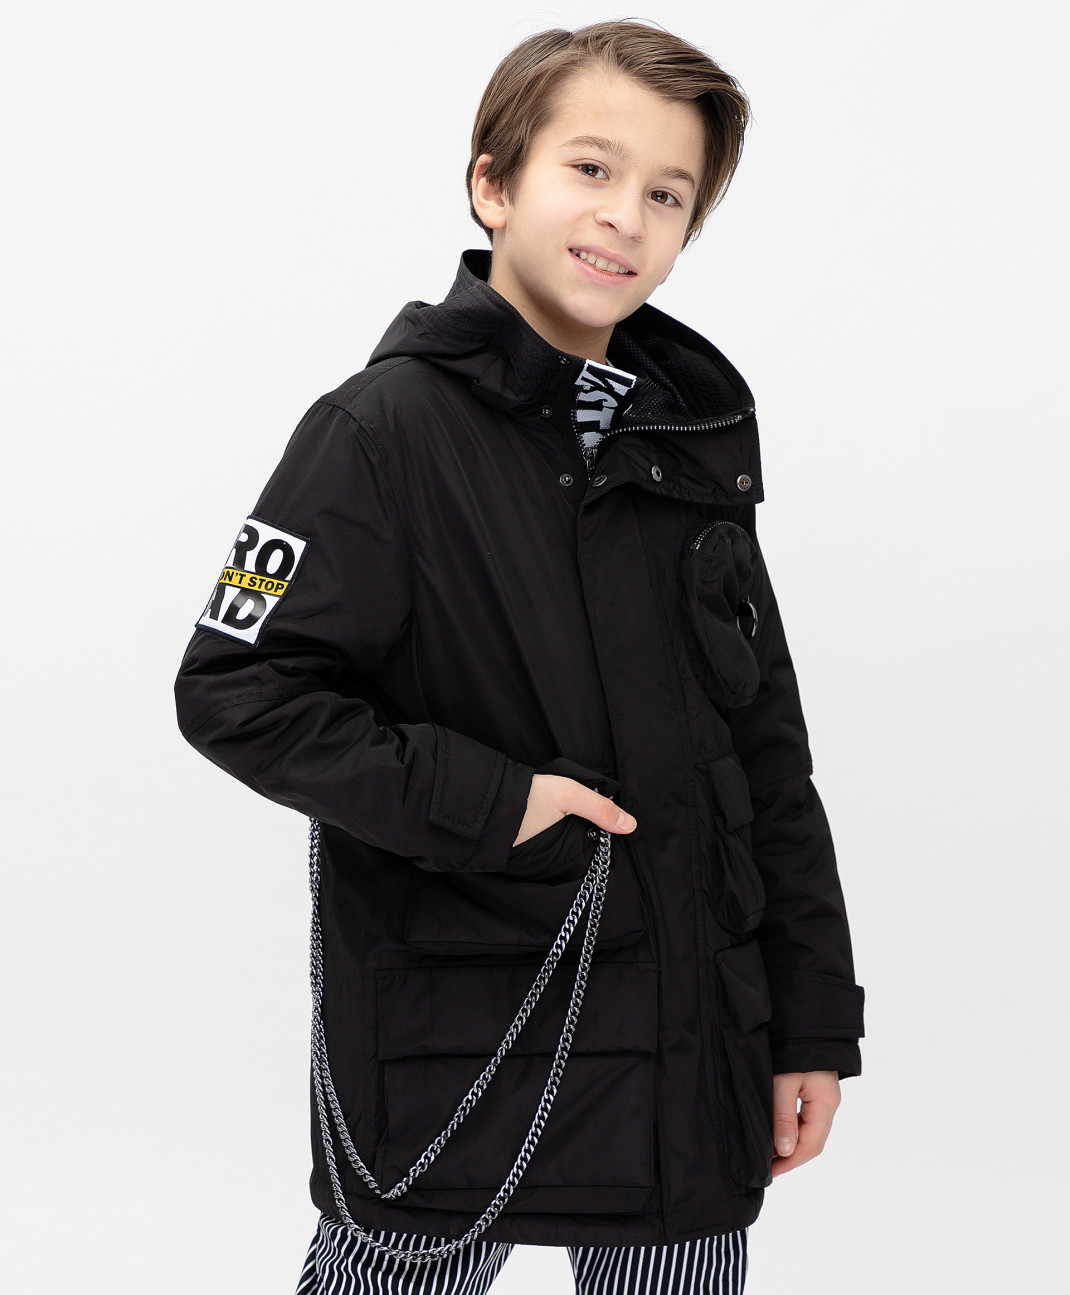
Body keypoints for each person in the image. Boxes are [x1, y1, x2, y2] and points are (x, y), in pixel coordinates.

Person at [174, 19, 864, 1295]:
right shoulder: (375, 429)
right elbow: (235, 687)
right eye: (589, 169)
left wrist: (811, 1019)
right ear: (493, 183)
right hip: (464, 1040)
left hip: (689, 1045)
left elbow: (765, 753)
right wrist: (498, 802)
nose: (624, 217)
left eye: (666, 194)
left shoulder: (693, 443)